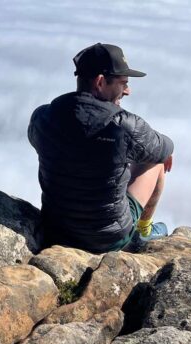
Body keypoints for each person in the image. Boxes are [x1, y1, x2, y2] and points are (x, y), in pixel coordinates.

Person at [28, 43, 174, 253]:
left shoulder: (42, 117)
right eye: (123, 83)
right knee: (157, 161)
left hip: (56, 229)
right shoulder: (124, 125)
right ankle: (142, 232)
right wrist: (165, 152)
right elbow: (164, 147)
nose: (127, 90)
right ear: (100, 82)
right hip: (108, 239)